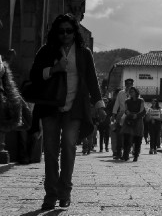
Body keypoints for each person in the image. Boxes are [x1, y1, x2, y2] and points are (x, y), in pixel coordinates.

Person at [29, 14, 104, 210]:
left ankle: (65, 192)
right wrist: (54, 69)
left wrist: (99, 104)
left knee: (69, 149)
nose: (65, 34)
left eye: (69, 30)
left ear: (75, 32)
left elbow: (91, 80)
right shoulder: (47, 51)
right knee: (51, 151)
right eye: (61, 31)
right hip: (50, 107)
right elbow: (34, 75)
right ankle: (50, 194)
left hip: (74, 107)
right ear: (56, 32)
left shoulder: (83, 53)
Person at [120, 86, 145, 161]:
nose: (131, 93)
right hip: (129, 120)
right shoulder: (127, 101)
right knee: (127, 138)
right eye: (130, 92)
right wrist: (130, 115)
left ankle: (136, 155)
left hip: (138, 120)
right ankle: (125, 155)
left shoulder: (141, 101)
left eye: (132, 91)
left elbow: (142, 110)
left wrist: (136, 116)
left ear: (136, 92)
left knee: (137, 138)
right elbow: (126, 110)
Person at [112, 78, 133, 159]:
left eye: (130, 83)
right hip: (121, 115)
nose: (128, 85)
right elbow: (117, 103)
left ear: (132, 84)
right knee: (119, 134)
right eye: (127, 83)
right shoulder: (121, 93)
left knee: (129, 135)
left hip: (131, 115)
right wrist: (114, 114)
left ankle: (127, 152)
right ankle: (118, 153)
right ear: (125, 84)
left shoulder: (134, 93)